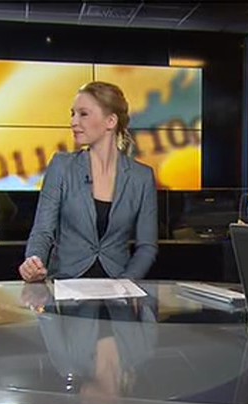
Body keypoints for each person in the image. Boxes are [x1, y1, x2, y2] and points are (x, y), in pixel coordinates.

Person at [18, 81, 157, 282]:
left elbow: (147, 247)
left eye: (83, 114)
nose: (74, 122)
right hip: (67, 284)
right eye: (72, 114)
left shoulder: (142, 177)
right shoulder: (61, 166)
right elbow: (43, 231)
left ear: (110, 121)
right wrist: (34, 261)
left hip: (118, 287)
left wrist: (125, 283)